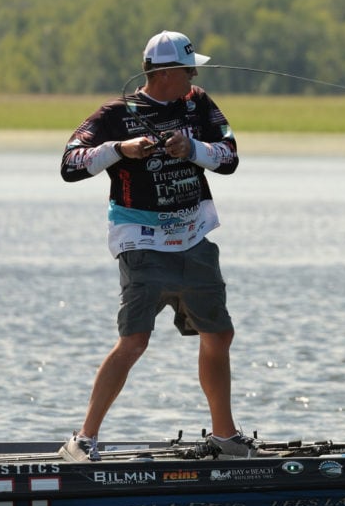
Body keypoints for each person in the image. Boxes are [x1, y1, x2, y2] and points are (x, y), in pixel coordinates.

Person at [58, 30, 255, 462]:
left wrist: (194, 149)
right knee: (135, 340)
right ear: (165, 73)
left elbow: (230, 155)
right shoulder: (115, 113)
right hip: (140, 239)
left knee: (219, 333)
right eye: (189, 68)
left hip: (194, 237)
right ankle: (83, 439)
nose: (195, 74)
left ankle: (224, 437)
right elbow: (69, 164)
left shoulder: (197, 102)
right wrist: (119, 150)